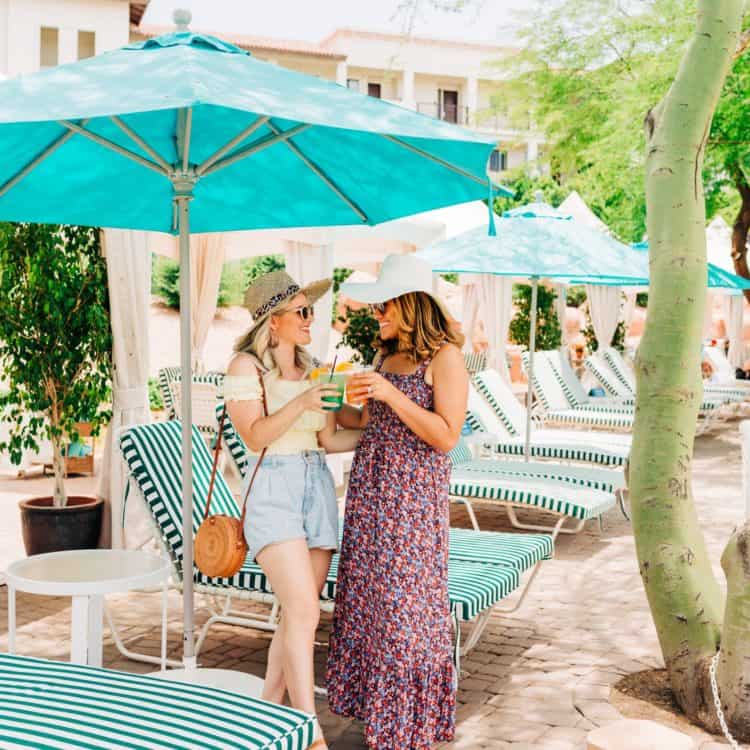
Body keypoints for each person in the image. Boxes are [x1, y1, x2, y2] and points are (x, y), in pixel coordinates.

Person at [326, 254, 469, 749]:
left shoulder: (445, 357)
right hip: (371, 498)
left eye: (384, 305)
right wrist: (331, 400)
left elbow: (447, 436)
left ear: (411, 304)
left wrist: (390, 394)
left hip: (411, 505)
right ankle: (381, 719)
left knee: (407, 613)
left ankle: (409, 725)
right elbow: (369, 423)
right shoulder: (387, 357)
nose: (377, 314)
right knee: (373, 605)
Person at [224, 270, 357, 750]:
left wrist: (380, 434)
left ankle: (265, 716)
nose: (310, 319)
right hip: (274, 488)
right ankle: (308, 731)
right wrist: (302, 401)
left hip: (317, 484)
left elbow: (328, 438)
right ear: (272, 321)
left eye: (311, 310)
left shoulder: (317, 366)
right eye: (301, 311)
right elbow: (254, 436)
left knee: (299, 616)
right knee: (303, 610)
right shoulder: (246, 368)